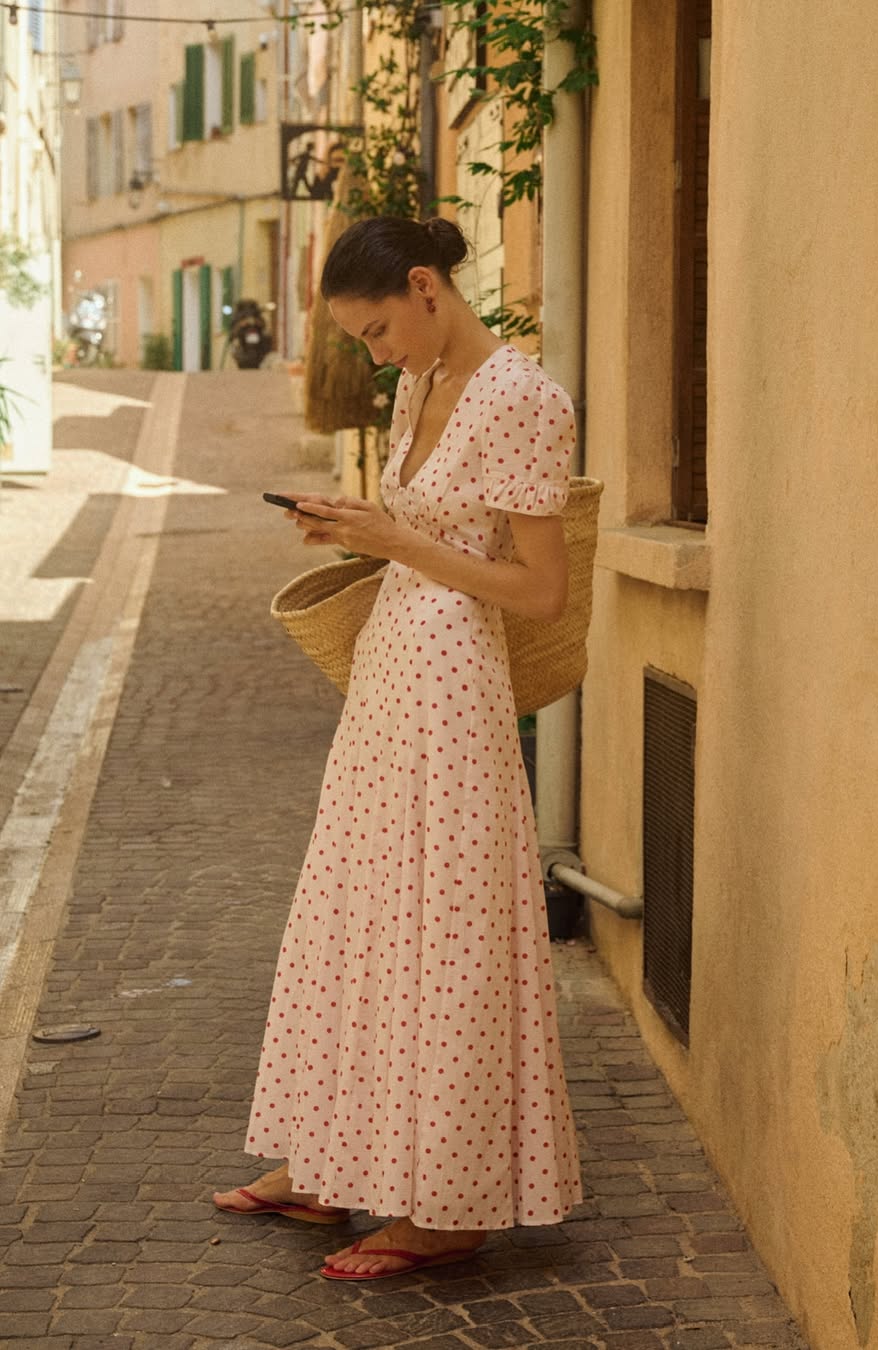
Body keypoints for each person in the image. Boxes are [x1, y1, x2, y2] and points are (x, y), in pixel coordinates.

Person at [214, 215, 583, 1281]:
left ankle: (449, 1206)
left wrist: (399, 541)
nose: (377, 356)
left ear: (426, 288)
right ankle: (333, 1155)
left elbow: (539, 590)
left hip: (457, 691)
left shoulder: (525, 399)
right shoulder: (418, 386)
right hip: (391, 681)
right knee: (359, 917)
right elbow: (427, 527)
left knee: (447, 935)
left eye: (378, 330)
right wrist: (354, 524)